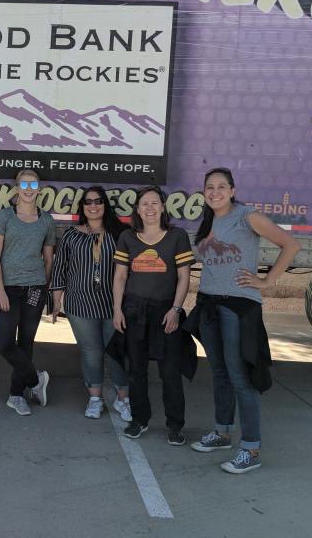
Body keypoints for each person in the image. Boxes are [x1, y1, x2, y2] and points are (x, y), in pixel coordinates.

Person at [186, 168, 300, 474]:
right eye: (209, 187)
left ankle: (251, 447)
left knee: (241, 377)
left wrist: (268, 281)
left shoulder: (247, 215)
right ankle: (222, 432)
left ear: (233, 190)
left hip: (238, 308)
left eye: (222, 186)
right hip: (209, 305)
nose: (215, 191)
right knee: (220, 373)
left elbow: (291, 245)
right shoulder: (210, 220)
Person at [112, 186, 194, 444]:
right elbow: (121, 275)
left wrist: (176, 309)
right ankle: (139, 420)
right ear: (137, 209)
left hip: (166, 311)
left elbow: (184, 276)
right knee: (136, 370)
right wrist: (117, 309)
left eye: (154, 203)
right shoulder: (127, 237)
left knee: (170, 371)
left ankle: (175, 425)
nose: (149, 208)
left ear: (162, 207)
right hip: (134, 310)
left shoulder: (177, 236)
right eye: (144, 203)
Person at [51, 186, 131, 420]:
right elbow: (60, 267)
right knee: (91, 352)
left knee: (118, 352)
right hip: (80, 304)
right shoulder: (71, 235)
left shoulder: (121, 234)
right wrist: (56, 299)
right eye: (88, 202)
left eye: (98, 201)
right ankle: (95, 399)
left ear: (105, 205)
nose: (93, 206)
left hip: (114, 304)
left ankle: (123, 400)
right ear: (82, 207)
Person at [0, 170, 55, 416]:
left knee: (26, 343)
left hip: (34, 289)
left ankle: (16, 396)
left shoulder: (46, 220)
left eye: (33, 184)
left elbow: (48, 259)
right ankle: (36, 380)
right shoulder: (5, 217)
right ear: (17, 188)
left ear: (39, 188)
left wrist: (44, 287)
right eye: (24, 184)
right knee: (4, 343)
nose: (29, 188)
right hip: (8, 288)